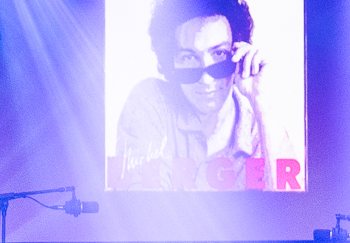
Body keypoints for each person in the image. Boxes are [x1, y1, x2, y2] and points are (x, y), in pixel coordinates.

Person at [113, 0, 271, 190]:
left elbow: (292, 207)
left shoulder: (259, 129)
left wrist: (263, 102)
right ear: (172, 63)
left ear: (237, 55)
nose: (205, 79)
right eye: (188, 57)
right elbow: (140, 206)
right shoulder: (150, 102)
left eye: (219, 54)